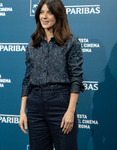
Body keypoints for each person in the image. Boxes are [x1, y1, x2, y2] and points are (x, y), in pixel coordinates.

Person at [19, 0, 84, 150]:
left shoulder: (71, 42)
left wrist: (70, 111)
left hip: (60, 104)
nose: (44, 16)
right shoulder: (32, 46)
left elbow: (76, 78)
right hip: (35, 106)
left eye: (49, 12)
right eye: (41, 12)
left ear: (58, 16)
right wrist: (23, 111)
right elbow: (27, 79)